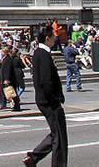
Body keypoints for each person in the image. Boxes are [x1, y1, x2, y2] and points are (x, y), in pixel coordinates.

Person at [24, 27, 66, 167]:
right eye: (53, 36)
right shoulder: (43, 54)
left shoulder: (39, 53)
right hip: (49, 101)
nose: (55, 39)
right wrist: (55, 99)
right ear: (47, 38)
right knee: (59, 136)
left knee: (56, 133)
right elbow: (46, 80)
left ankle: (33, 158)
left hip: (45, 99)